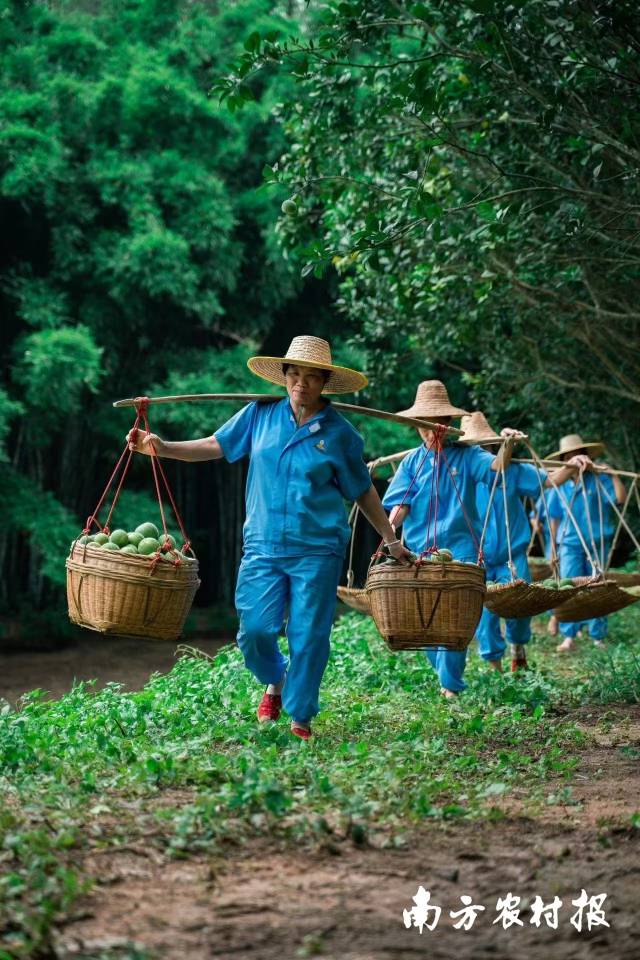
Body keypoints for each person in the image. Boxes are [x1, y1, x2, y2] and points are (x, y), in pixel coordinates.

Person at [127, 336, 411, 740]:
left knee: (309, 635)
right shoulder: (259, 415)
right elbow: (214, 445)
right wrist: (162, 449)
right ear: (284, 376)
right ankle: (275, 679)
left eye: (312, 378)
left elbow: (362, 490)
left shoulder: (341, 434)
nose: (301, 384)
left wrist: (390, 538)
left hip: (318, 548)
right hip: (262, 545)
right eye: (294, 374)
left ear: (325, 382)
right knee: (256, 631)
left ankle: (300, 716)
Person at [381, 382, 522, 698]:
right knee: (426, 622)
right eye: (425, 425)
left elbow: (497, 469)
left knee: (454, 621)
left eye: (439, 422)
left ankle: (451, 687)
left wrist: (507, 445)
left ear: (449, 422)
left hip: (461, 552)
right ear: (417, 426)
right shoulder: (412, 462)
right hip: (418, 552)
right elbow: (400, 505)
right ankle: (445, 674)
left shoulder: (469, 456)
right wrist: (389, 537)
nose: (433, 431)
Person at [459, 412, 577, 673]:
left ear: (492, 445)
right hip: (476, 558)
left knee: (521, 608)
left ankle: (518, 649)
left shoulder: (513, 470)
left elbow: (551, 480)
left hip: (512, 555)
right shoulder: (461, 471)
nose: (480, 451)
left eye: (484, 445)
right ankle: (495, 668)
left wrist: (571, 465)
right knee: (485, 614)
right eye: (473, 447)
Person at [546, 434, 626, 652]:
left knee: (597, 586)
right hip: (569, 543)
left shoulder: (598, 479)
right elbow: (554, 517)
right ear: (565, 459)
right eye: (570, 455)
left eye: (579, 454)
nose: (575, 458)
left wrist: (614, 475)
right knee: (569, 586)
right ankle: (569, 636)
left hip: (596, 541)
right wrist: (553, 546)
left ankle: (597, 635)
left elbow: (619, 499)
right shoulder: (559, 484)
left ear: (586, 456)